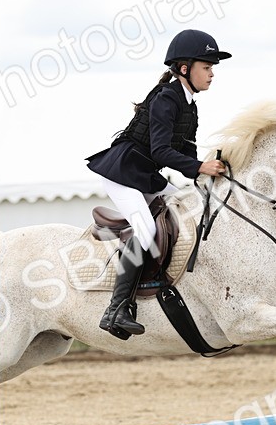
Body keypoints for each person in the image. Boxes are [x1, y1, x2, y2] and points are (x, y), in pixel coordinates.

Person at [86, 29, 231, 338]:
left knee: (187, 207)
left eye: (212, 68)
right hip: (123, 173)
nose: (211, 74)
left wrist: (207, 175)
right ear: (183, 68)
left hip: (146, 175)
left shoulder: (189, 104)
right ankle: (116, 309)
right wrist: (200, 166)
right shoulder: (167, 98)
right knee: (146, 228)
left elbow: (186, 154)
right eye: (206, 67)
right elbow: (161, 151)